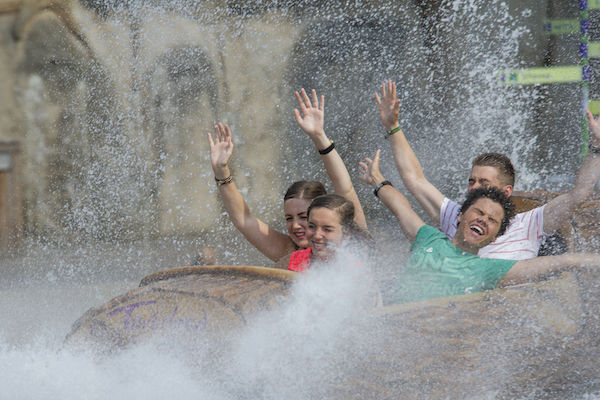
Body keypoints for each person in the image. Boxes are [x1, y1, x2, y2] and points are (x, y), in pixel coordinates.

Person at [375, 80, 600, 260]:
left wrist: (596, 148)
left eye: (484, 183)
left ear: (507, 191)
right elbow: (415, 179)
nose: (474, 188)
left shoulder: (529, 224)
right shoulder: (457, 215)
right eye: (471, 181)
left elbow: (579, 194)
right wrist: (393, 127)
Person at [359, 150, 600, 304]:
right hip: (389, 323)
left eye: (492, 220)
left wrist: (596, 149)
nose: (483, 219)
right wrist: (378, 181)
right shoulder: (429, 238)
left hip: (432, 334)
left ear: (495, 236)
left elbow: (563, 261)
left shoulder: (489, 269)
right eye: (478, 212)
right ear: (460, 215)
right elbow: (402, 206)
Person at [207, 89, 365, 262]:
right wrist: (221, 171)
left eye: (304, 217)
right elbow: (244, 220)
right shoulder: (288, 251)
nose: (296, 226)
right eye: (289, 218)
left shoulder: (352, 240)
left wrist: (320, 137)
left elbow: (344, 186)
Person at [273, 194, 371, 271]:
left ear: (346, 233)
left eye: (327, 229)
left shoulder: (357, 271)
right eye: (311, 226)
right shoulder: (291, 261)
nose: (317, 235)